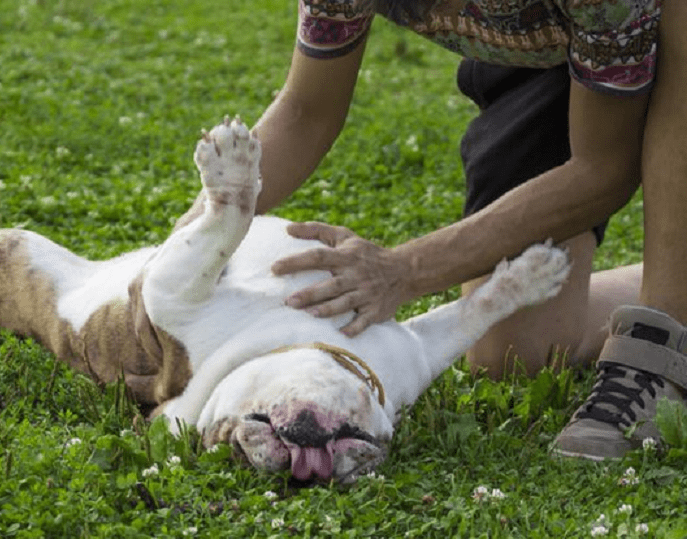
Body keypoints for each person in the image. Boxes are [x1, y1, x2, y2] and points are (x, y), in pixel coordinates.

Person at [234, 0, 687, 460]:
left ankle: (661, 339)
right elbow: (305, 112)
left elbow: (603, 169)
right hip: (557, 48)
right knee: (514, 355)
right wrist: (195, 238)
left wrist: (405, 270)